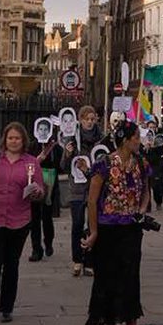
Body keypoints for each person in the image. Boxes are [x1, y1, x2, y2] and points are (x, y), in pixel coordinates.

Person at [82, 120, 151, 325]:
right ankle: (108, 321)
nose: (139, 141)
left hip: (131, 227)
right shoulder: (104, 164)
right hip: (108, 228)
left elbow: (146, 191)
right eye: (136, 137)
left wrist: (141, 210)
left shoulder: (141, 163)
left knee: (131, 275)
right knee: (107, 274)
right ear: (125, 140)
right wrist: (93, 231)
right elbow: (92, 200)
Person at [0, 123, 44, 325]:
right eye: (10, 138)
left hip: (19, 220)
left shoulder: (31, 162)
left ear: (23, 140)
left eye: (17, 138)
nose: (14, 141)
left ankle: (6, 307)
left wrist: (37, 192)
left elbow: (40, 189)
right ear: (4, 140)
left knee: (11, 264)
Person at [61, 103, 104, 277]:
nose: (90, 122)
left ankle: (90, 261)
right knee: (77, 224)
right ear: (80, 120)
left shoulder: (100, 138)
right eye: (87, 119)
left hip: (94, 187)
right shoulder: (73, 138)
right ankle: (77, 259)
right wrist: (67, 154)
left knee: (93, 224)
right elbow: (64, 166)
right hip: (77, 188)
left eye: (92, 119)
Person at [29, 133, 62, 262]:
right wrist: (37, 161)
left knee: (47, 216)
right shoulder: (32, 146)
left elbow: (61, 166)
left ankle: (48, 242)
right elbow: (26, 166)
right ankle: (36, 249)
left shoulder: (55, 147)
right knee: (34, 217)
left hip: (50, 184)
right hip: (35, 183)